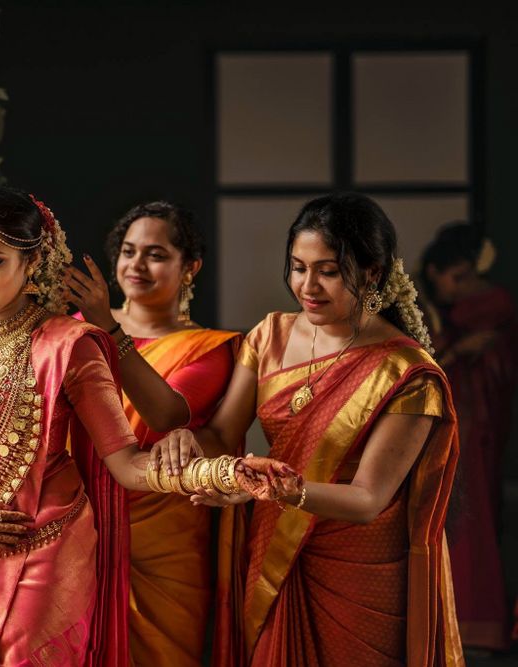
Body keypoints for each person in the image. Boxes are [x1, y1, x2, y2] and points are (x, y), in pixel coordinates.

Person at [0, 187, 292, 666]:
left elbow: (127, 462)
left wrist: (222, 475)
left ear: (32, 261)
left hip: (48, 548)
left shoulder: (71, 343)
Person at [153, 192, 464, 666]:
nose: (308, 286)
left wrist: (269, 490)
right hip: (276, 546)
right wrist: (186, 437)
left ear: (372, 272)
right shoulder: (270, 335)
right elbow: (221, 434)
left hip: (359, 569)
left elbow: (367, 499)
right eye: (299, 267)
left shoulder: (405, 372)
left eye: (329, 271)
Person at [62, 201, 238, 666]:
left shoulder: (211, 348)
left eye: (156, 254)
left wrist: (108, 328)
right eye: (128, 251)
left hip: (165, 546)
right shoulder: (71, 334)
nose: (136, 265)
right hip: (76, 528)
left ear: (190, 267)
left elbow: (165, 414)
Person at [420, 222, 518, 651]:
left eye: (452, 276)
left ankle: (475, 622)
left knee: (471, 514)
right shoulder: (470, 317)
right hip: (466, 420)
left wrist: (453, 349)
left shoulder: (490, 305)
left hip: (476, 424)